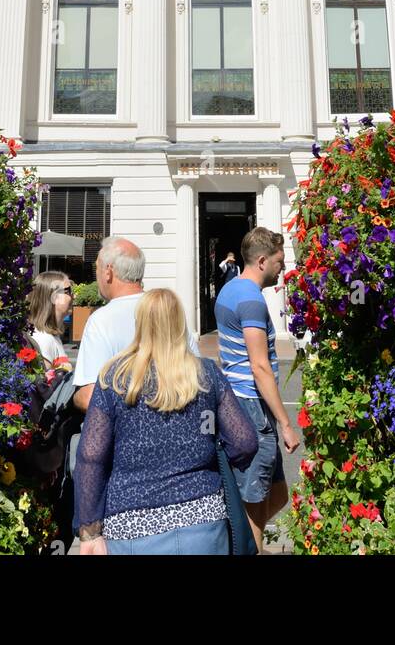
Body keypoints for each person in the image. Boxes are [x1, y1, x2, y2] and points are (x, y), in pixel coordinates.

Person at [75, 288, 258, 555]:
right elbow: (244, 441)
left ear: (140, 323)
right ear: (179, 323)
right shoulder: (205, 374)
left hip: (130, 526)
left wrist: (90, 532)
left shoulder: (114, 378)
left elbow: (91, 456)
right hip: (203, 520)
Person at [214, 226, 299, 554]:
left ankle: (249, 543)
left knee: (275, 494)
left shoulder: (229, 290)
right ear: (262, 260)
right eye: (279, 261)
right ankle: (251, 549)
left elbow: (226, 351)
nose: (282, 268)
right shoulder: (250, 300)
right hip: (251, 406)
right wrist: (286, 424)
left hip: (240, 401)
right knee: (253, 498)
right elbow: (260, 366)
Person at [72, 237, 199, 413]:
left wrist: (74, 396)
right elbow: (198, 374)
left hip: (127, 435)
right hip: (178, 425)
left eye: (97, 267)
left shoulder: (101, 320)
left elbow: (89, 397)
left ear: (108, 272)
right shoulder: (167, 311)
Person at [27, 270, 73, 369]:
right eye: (68, 291)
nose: (74, 296)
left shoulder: (51, 336)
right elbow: (46, 383)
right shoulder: (43, 340)